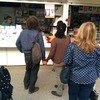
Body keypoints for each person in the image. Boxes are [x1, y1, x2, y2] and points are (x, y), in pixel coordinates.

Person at [64, 22, 100, 100]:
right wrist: (96, 75)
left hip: (75, 77)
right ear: (94, 33)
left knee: (72, 97)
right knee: (84, 97)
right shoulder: (97, 48)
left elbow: (67, 61)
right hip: (90, 78)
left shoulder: (72, 46)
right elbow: (98, 65)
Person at [16, 16, 45, 94]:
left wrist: (22, 50)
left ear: (27, 23)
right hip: (35, 55)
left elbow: (17, 43)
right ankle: (31, 89)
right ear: (36, 24)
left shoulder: (23, 32)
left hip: (26, 55)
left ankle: (26, 85)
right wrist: (43, 58)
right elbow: (42, 46)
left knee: (28, 69)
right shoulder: (38, 33)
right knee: (34, 72)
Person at [43, 21, 70, 97]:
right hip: (66, 60)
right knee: (63, 74)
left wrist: (46, 60)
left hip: (57, 61)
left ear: (57, 29)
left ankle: (59, 92)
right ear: (65, 30)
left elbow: (51, 53)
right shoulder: (68, 39)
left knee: (59, 76)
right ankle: (61, 86)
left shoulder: (54, 40)